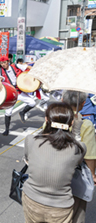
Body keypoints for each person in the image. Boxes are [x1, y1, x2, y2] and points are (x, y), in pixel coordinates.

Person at [22, 102, 86, 223]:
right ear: (71, 123)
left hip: (31, 199)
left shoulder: (30, 140)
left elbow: (28, 160)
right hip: (60, 207)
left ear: (46, 119)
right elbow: (78, 159)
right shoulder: (78, 148)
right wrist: (76, 132)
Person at [62, 90, 96, 223]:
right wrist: (92, 174)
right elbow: (90, 155)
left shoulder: (54, 117)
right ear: (82, 104)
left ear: (63, 100)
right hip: (75, 175)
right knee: (77, 212)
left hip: (53, 174)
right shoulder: (85, 124)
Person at [0, 56, 36, 135]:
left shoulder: (15, 66)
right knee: (8, 112)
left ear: (8, 61)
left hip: (19, 91)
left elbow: (27, 67)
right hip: (10, 94)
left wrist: (34, 71)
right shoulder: (0, 71)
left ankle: (22, 112)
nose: (3, 65)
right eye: (1, 63)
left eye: (4, 63)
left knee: (32, 103)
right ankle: (7, 129)